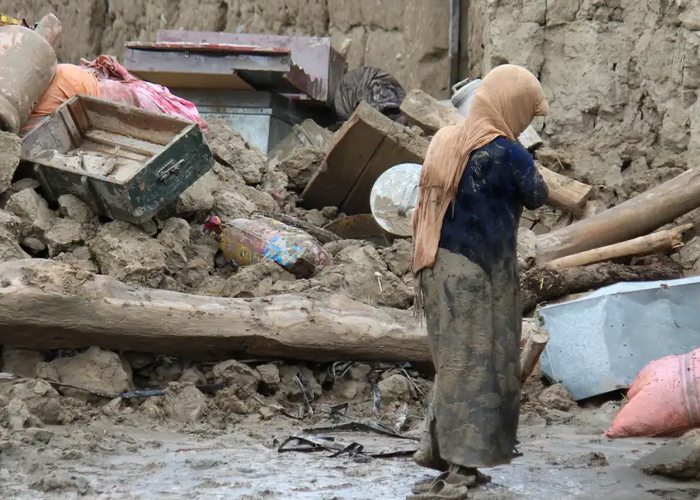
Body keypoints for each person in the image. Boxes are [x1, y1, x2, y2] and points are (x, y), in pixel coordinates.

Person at [408, 64, 550, 500]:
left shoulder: (446, 140)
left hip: (436, 267)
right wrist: (525, 150)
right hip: (477, 275)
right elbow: (538, 195)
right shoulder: (509, 152)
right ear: (512, 107)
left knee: (453, 367)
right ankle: (460, 470)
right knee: (475, 370)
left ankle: (440, 457)